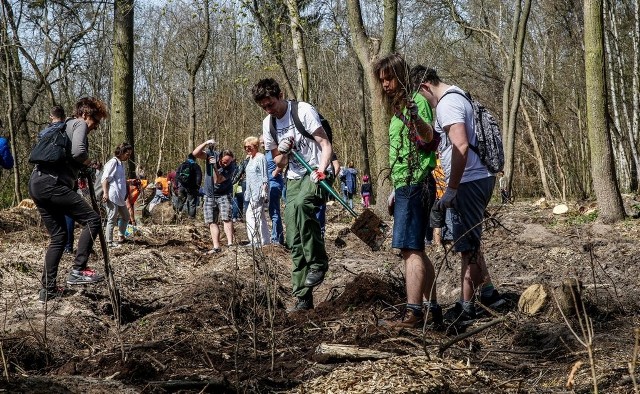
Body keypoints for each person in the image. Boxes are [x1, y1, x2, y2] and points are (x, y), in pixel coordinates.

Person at [410, 65, 504, 323]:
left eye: (421, 94)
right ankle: (487, 294)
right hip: (476, 178)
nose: (423, 100)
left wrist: (451, 188)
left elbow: (460, 145)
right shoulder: (458, 95)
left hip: (468, 182)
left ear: (425, 86)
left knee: (467, 247)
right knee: (470, 239)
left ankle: (465, 308)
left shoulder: (446, 104)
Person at [253, 78, 333, 312]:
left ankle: (318, 262)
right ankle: (303, 297)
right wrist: (284, 152)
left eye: (271, 104)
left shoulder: (303, 111)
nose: (269, 110)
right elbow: (278, 160)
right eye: (264, 107)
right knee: (293, 236)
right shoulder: (269, 124)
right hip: (294, 177)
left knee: (300, 207)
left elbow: (325, 144)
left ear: (280, 95)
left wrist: (321, 169)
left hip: (317, 171)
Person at [374, 53, 442, 328]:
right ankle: (433, 309)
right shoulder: (397, 108)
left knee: (409, 249)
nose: (386, 85)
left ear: (400, 76)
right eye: (382, 80)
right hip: (405, 185)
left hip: (416, 183)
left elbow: (429, 138)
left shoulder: (416, 103)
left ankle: (413, 313)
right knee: (417, 251)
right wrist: (394, 188)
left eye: (389, 78)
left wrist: (415, 117)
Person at [29, 97, 109, 303]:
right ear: (84, 114)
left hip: (37, 182)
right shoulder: (79, 123)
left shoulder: (64, 127)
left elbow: (69, 156)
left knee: (59, 236)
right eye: (96, 121)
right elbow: (79, 152)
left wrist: (79, 168)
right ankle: (79, 269)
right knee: (93, 219)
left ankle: (48, 289)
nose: (96, 127)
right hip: (51, 184)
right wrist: (90, 163)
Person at [193, 140, 236, 253]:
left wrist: (214, 167)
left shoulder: (231, 167)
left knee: (226, 218)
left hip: (224, 194)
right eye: (225, 161)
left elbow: (218, 180)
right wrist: (206, 143)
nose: (227, 164)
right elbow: (195, 153)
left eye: (229, 162)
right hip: (209, 194)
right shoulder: (212, 155)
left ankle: (230, 244)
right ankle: (216, 247)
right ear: (220, 156)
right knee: (212, 221)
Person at [101, 142, 134, 248]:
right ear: (121, 152)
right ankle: (109, 242)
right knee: (112, 218)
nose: (128, 157)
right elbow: (105, 179)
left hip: (120, 196)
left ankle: (121, 236)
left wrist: (130, 182)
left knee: (126, 216)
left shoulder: (121, 164)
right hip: (112, 195)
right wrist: (105, 193)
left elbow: (119, 180)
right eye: (127, 154)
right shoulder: (113, 162)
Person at [242, 136, 271, 246]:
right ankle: (265, 240)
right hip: (251, 191)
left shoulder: (261, 157)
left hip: (258, 191)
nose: (247, 149)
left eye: (249, 147)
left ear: (255, 146)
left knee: (251, 215)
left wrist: (264, 189)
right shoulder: (250, 159)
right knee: (260, 216)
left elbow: (264, 175)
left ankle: (255, 240)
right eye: (245, 147)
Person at [260, 136, 285, 244]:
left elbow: (283, 160)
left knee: (274, 211)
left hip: (274, 184)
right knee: (272, 212)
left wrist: (277, 171)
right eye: (260, 143)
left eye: (263, 142)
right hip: (268, 185)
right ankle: (278, 237)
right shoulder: (266, 153)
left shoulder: (274, 151)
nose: (262, 145)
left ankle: (276, 239)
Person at [174, 153, 203, 218]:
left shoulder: (182, 165)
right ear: (195, 158)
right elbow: (199, 176)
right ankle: (191, 218)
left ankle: (175, 216)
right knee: (192, 203)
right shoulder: (196, 166)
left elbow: (177, 176)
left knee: (180, 201)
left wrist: (176, 186)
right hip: (192, 188)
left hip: (182, 186)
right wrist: (198, 186)